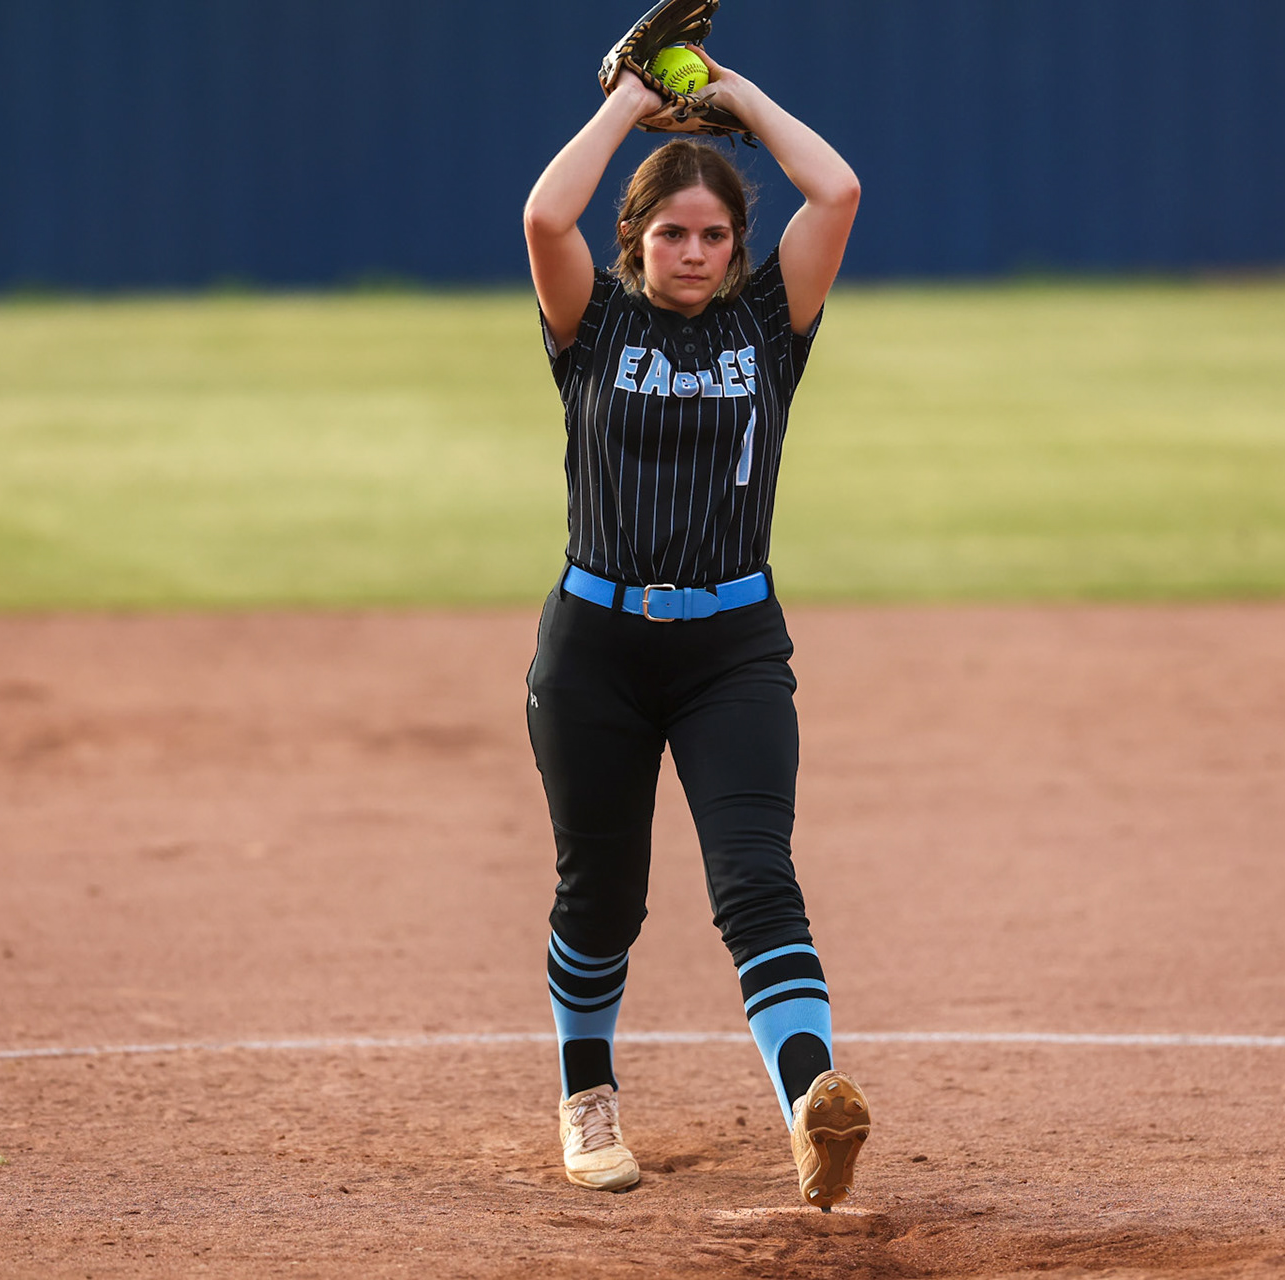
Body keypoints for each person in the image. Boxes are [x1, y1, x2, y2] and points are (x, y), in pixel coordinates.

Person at [520, 47, 868, 1210]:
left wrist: (735, 100)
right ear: (639, 241)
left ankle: (813, 1103)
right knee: (603, 894)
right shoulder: (594, 324)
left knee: (756, 877)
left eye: (714, 234)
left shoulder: (770, 325)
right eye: (673, 232)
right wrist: (631, 99)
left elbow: (838, 193)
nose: (697, 251)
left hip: (732, 651)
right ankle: (586, 1092)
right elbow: (543, 212)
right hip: (595, 654)